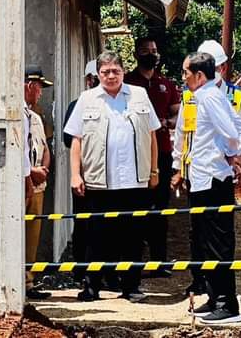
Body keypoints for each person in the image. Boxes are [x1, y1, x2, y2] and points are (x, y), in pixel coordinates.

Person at [65, 51, 161, 303]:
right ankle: (92, 286)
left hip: (134, 181)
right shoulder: (87, 99)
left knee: (132, 237)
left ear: (123, 72)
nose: (110, 76)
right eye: (105, 72)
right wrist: (75, 174)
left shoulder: (138, 95)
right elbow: (77, 140)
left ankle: (131, 286)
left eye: (115, 71)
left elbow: (151, 135)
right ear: (97, 74)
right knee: (96, 238)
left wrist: (154, 171)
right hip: (99, 182)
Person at [170, 52, 241, 324]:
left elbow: (232, 133)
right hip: (200, 179)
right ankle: (214, 297)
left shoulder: (210, 97)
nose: (183, 78)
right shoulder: (201, 97)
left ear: (200, 76)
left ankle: (227, 304)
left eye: (186, 73)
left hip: (213, 179)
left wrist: (229, 155)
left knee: (218, 245)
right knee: (204, 242)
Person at [124, 36, 181, 274]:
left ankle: (160, 261)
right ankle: (132, 264)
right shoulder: (127, 83)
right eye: (146, 51)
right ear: (137, 54)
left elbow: (179, 116)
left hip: (163, 154)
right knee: (134, 208)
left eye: (154, 50)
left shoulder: (166, 85)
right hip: (133, 156)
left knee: (160, 208)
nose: (152, 54)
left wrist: (167, 121)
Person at [62, 60, 100, 286]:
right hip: (85, 176)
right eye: (95, 79)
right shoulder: (78, 105)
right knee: (83, 225)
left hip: (109, 179)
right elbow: (69, 138)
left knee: (108, 226)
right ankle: (81, 272)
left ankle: (107, 274)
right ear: (88, 80)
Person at [24, 66, 53, 300]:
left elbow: (44, 147)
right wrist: (31, 172)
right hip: (23, 184)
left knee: (32, 236)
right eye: (39, 88)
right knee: (18, 234)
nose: (40, 93)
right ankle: (18, 283)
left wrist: (44, 168)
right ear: (29, 86)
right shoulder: (17, 115)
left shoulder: (35, 117)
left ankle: (29, 281)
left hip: (38, 185)